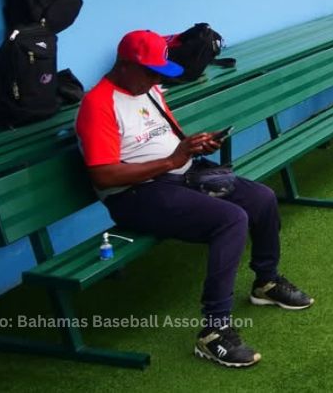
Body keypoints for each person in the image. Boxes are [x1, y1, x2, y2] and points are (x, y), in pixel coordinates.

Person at [76, 30, 313, 369]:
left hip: (181, 175)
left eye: (160, 72)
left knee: (261, 198)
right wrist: (172, 162)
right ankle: (213, 333)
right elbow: (103, 176)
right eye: (151, 71)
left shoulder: (149, 89)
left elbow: (163, 139)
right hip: (135, 194)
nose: (157, 79)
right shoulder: (99, 104)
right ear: (125, 65)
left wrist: (194, 145)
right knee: (231, 220)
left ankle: (266, 281)